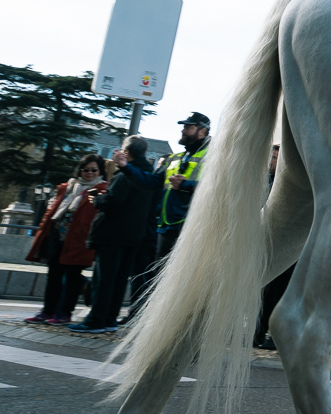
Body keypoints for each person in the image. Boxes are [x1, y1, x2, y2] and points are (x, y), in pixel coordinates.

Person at [127, 112, 211, 320]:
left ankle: (180, 321)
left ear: (203, 131)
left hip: (193, 226)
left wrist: (186, 185)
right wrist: (125, 167)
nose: (183, 130)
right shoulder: (174, 158)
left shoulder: (214, 156)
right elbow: (150, 182)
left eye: (188, 127)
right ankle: (156, 320)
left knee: (184, 278)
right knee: (160, 277)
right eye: (184, 126)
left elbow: (219, 188)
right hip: (166, 226)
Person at [71, 137, 159, 332]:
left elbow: (113, 202)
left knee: (104, 279)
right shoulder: (149, 174)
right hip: (135, 235)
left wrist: (97, 199)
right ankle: (110, 319)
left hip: (113, 233)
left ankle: (96, 320)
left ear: (126, 153)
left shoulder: (125, 174)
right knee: (119, 279)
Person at [26, 155, 106, 325]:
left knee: (71, 277)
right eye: (86, 170)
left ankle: (64, 313)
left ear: (100, 172)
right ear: (80, 170)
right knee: (53, 276)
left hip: (80, 240)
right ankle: (47, 311)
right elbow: (51, 210)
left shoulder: (102, 190)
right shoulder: (67, 187)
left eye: (94, 170)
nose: (89, 173)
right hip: (57, 237)